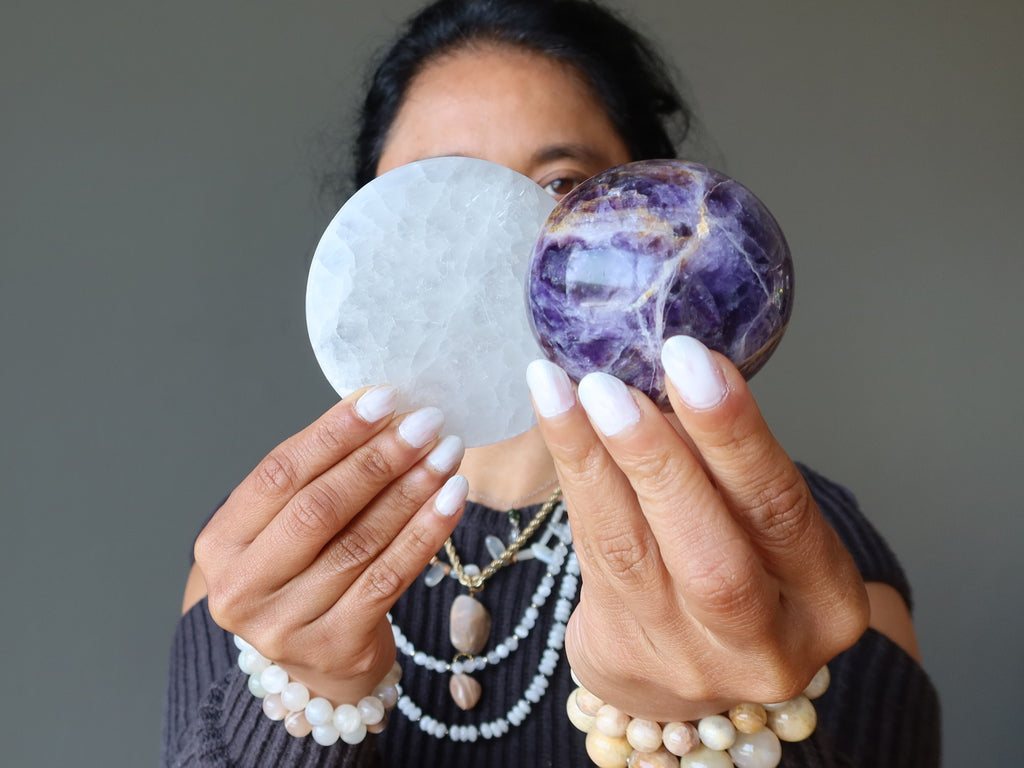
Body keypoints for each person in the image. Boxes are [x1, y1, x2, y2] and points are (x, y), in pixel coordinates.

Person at [163, 1, 940, 766]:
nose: (498, 241)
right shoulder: (273, 558)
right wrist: (303, 693)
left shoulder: (794, 557)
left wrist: (700, 731)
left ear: (654, 214)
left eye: (563, 184)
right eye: (440, 190)